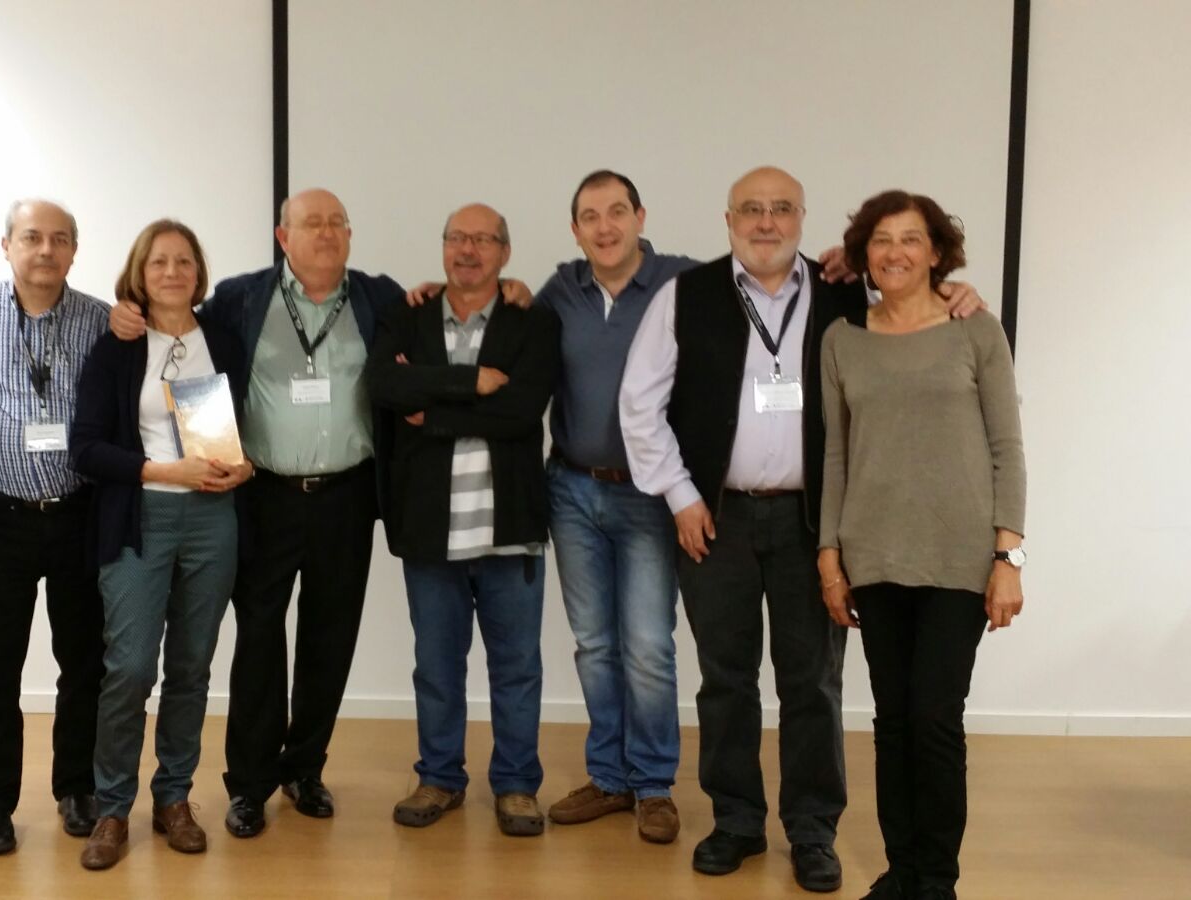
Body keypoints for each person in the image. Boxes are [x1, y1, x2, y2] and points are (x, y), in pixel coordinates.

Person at [618, 166, 983, 893]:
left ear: (802, 218)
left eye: (781, 208)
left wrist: (958, 294)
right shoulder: (685, 296)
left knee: (813, 682)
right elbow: (639, 405)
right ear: (728, 221)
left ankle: (813, 829)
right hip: (713, 520)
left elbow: (917, 305)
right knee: (725, 679)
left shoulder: (846, 293)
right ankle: (736, 821)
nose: (766, 222)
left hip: (814, 523)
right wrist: (682, 496)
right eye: (751, 209)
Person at [111, 188, 405, 838]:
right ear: (283, 237)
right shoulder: (241, 300)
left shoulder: (377, 297)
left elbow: (427, 320)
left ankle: (305, 769)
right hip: (264, 494)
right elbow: (177, 328)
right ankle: (249, 784)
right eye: (310, 223)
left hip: (348, 495)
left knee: (331, 638)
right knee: (259, 640)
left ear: (349, 234)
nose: (325, 233)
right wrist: (127, 312)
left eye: (336, 222)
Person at [818, 191, 1026, 900]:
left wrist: (1008, 558)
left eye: (911, 239)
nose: (895, 252)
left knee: (935, 718)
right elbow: (837, 455)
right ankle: (900, 872)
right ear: (863, 254)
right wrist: (829, 557)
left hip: (958, 560)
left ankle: (936, 882)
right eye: (881, 239)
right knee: (893, 722)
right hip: (873, 556)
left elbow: (1008, 449)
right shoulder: (843, 339)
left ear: (937, 252)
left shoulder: (976, 331)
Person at [367, 203, 560, 836]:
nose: (468, 250)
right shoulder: (408, 315)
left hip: (511, 530)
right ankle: (440, 777)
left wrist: (433, 409)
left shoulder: (533, 320)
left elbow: (522, 412)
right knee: (436, 668)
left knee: (517, 668)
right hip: (430, 531)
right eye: (457, 238)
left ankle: (517, 785)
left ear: (505, 252)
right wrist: (471, 381)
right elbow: (384, 387)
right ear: (443, 246)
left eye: (482, 239)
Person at [69, 220, 252, 869]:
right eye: (158, 262)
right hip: (139, 517)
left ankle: (174, 797)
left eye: (183, 261)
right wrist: (164, 471)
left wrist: (244, 467)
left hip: (213, 519)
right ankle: (113, 807)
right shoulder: (118, 344)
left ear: (199, 273)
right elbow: (85, 448)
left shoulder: (223, 340)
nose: (172, 272)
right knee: (130, 668)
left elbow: (245, 427)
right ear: (139, 274)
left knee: (192, 667)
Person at [533, 170, 698, 843]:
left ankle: (654, 785)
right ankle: (609, 777)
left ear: (640, 217)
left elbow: (769, 290)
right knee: (596, 645)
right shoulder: (560, 290)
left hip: (651, 492)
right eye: (591, 216)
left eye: (617, 212)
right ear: (575, 229)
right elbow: (507, 330)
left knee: (648, 646)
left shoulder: (683, 281)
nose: (605, 227)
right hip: (572, 490)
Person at [0, 199, 108, 855]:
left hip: (80, 514)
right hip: (1, 516)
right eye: (32, 237)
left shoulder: (100, 320)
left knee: (85, 661)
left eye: (59, 239)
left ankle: (77, 787)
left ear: (74, 251)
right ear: (6, 244)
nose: (45, 249)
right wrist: (3, 426)